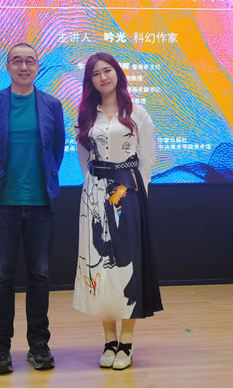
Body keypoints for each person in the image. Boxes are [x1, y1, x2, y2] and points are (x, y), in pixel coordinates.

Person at [0, 43, 65, 375]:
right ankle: (1, 349)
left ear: (37, 66)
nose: (23, 67)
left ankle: (39, 345)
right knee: (2, 278)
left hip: (41, 205)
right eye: (17, 61)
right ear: (8, 66)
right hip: (3, 205)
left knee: (40, 276)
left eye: (29, 61)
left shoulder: (52, 105)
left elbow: (56, 151)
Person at [72, 52, 163, 370]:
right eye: (96, 73)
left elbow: (147, 158)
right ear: (91, 80)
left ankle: (127, 343)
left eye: (107, 70)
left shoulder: (136, 112)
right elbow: (83, 157)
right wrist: (92, 188)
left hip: (128, 194)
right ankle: (109, 341)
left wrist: (140, 195)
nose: (103, 77)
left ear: (118, 74)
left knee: (128, 265)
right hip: (95, 193)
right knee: (101, 266)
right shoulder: (86, 114)